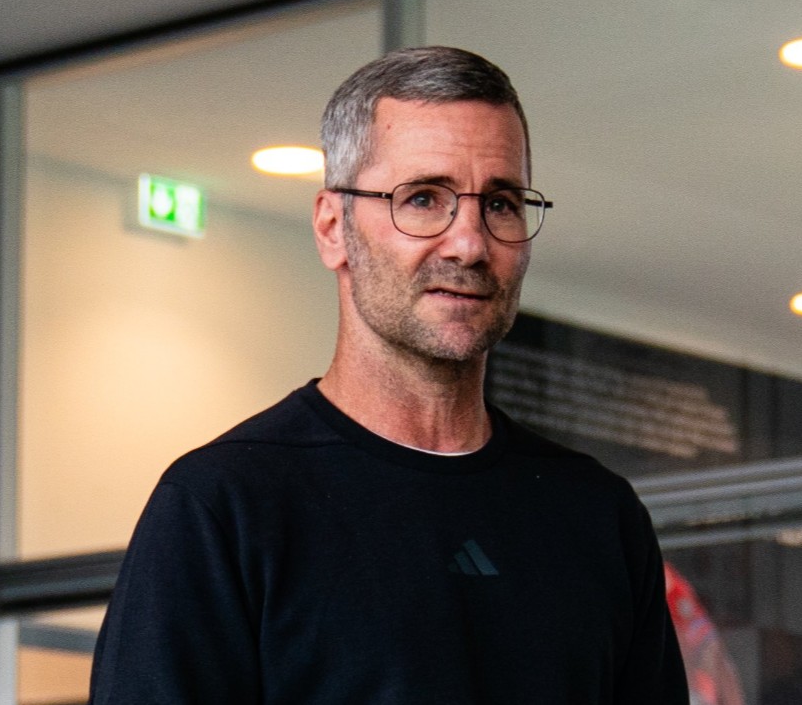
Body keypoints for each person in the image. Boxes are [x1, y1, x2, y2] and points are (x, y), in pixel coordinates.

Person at [89, 45, 688, 704]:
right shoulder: (224, 506)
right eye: (423, 198)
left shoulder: (597, 516)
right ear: (332, 227)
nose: (469, 243)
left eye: (500, 203)